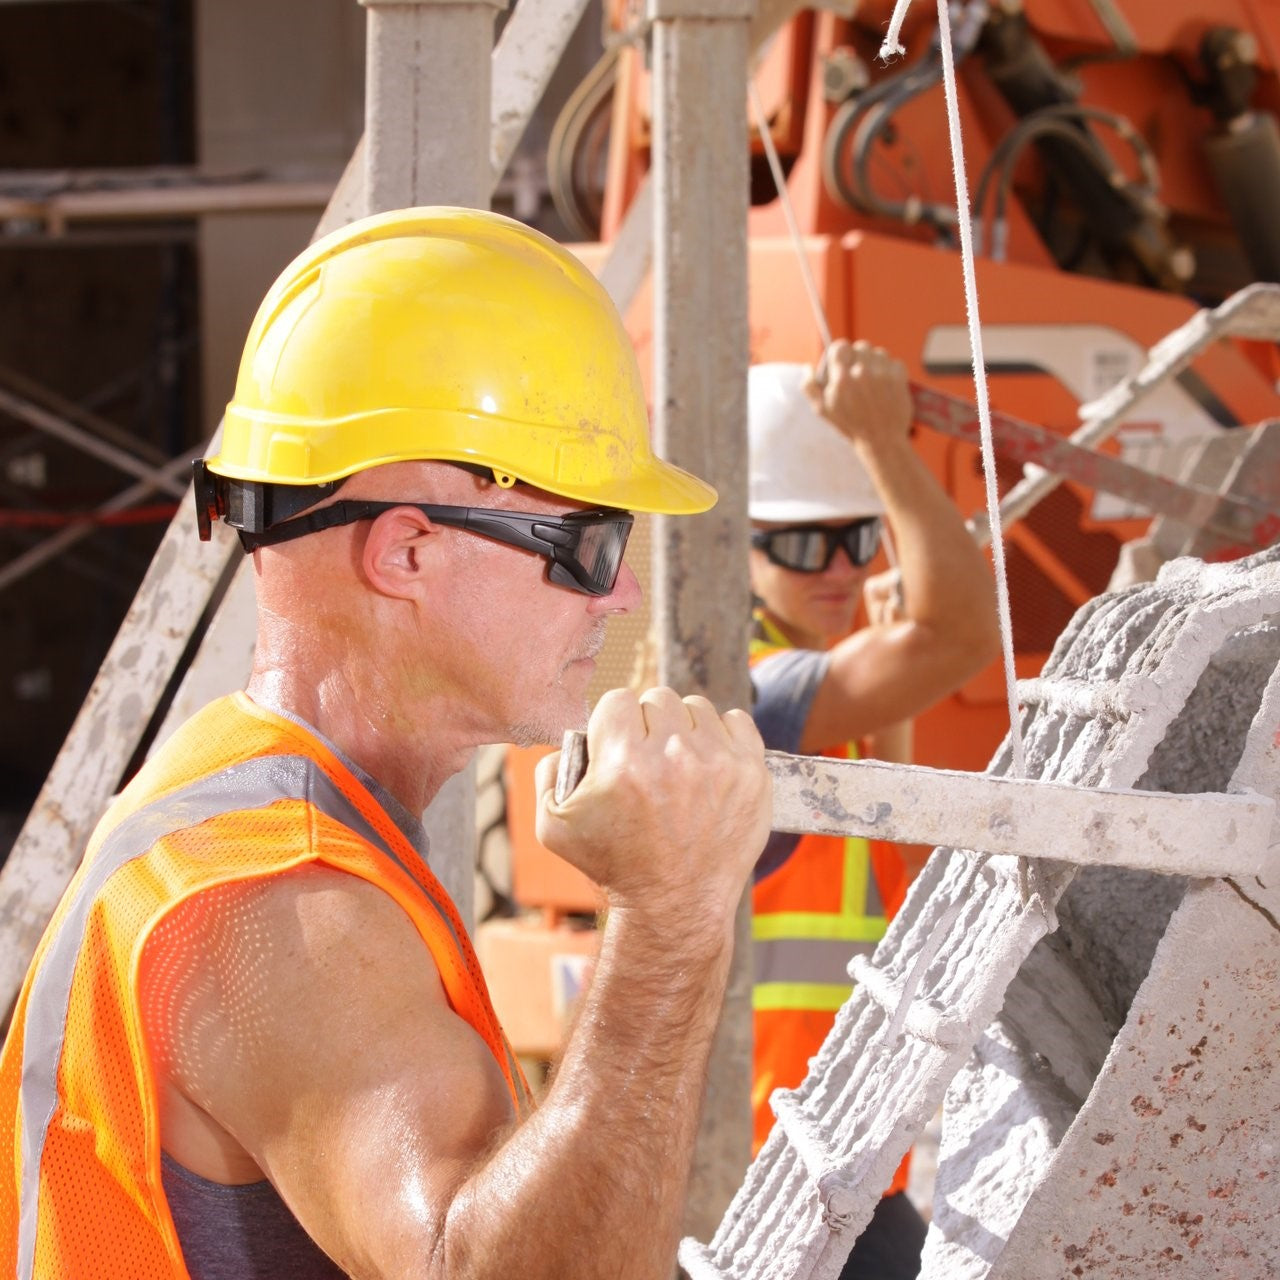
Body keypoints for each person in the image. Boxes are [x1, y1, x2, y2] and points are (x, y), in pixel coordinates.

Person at [0, 206, 773, 1279]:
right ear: (407, 550)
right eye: (588, 541)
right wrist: (672, 917)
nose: (621, 592)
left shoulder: (267, 816)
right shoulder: (272, 892)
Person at [747, 341, 1001, 1279]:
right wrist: (885, 448)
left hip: (837, 1158)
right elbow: (961, 634)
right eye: (805, 544)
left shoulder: (819, 711)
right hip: (767, 1178)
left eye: (857, 536)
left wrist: (890, 699)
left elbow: (883, 888)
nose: (842, 568)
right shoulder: (749, 693)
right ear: (730, 542)